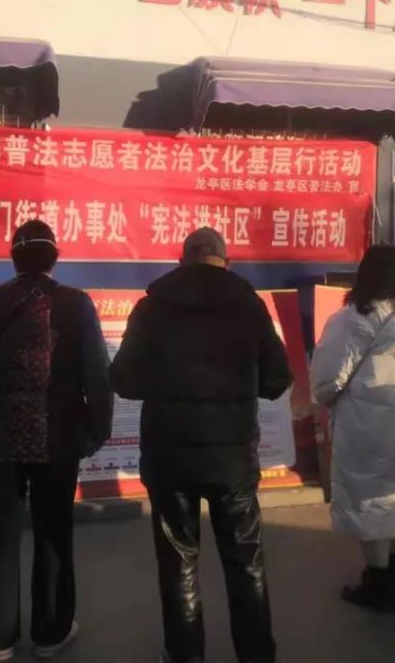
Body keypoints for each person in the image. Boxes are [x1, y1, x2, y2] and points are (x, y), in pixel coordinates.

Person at [110, 228, 291, 663]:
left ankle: (185, 655)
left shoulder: (152, 307)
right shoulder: (249, 305)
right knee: (246, 564)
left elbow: (124, 380)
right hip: (232, 460)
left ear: (183, 260)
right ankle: (256, 656)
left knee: (178, 565)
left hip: (169, 458)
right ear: (225, 262)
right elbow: (277, 379)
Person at [0, 219, 113, 662]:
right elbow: (97, 374)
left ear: (13, 258)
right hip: (58, 437)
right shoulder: (76, 304)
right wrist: (98, 429)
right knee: (53, 531)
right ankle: (51, 633)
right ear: (54, 258)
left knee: (1, 536)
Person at [309, 245, 395, 614]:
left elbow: (326, 381)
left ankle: (378, 583)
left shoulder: (349, 319)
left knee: (368, 499)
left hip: (363, 425)